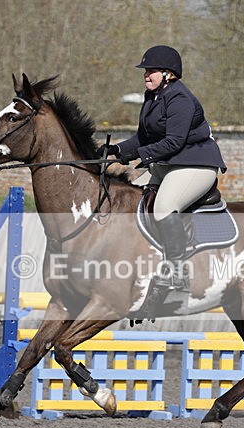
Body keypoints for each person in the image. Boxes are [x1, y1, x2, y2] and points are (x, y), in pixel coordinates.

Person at [101, 45, 226, 313]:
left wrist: (141, 155)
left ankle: (178, 272)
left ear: (168, 74)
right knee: (130, 197)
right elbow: (144, 139)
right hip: (170, 163)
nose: (146, 75)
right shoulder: (152, 97)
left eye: (151, 70)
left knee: (164, 206)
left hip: (196, 162)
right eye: (146, 70)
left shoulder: (180, 98)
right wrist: (118, 150)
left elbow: (174, 141)